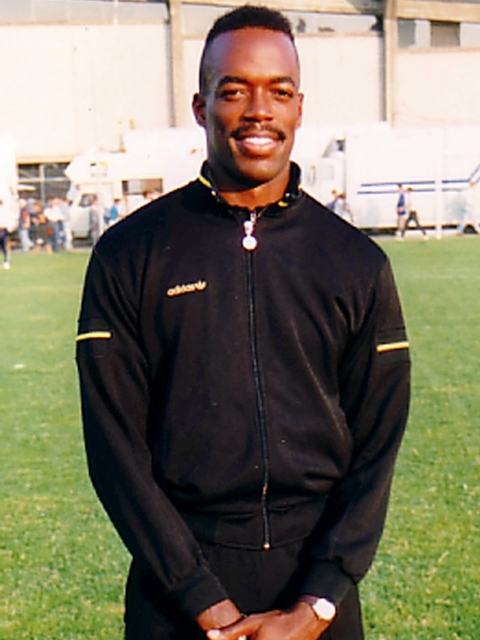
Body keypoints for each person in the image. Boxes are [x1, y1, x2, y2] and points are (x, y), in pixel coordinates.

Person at [76, 6, 410, 640]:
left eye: (279, 92)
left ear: (299, 108)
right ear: (201, 107)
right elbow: (115, 451)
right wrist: (204, 602)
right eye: (234, 91)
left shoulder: (357, 262)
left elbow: (378, 446)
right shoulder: (130, 254)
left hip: (314, 593)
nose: (260, 110)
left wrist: (318, 602)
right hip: (176, 594)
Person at [0, 198, 11, 269]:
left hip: (2, 229)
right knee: (4, 246)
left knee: (4, 246)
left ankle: (6, 261)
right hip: (3, 229)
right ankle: (6, 261)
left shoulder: (4, 211)